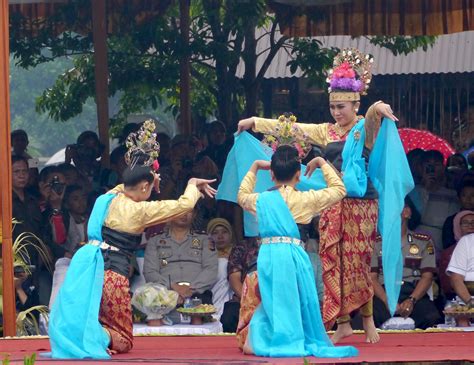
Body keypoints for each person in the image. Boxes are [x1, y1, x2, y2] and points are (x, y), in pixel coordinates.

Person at [237, 48, 410, 344]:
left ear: (356, 104)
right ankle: (342, 322)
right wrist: (254, 122)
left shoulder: (362, 130)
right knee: (333, 261)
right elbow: (291, 128)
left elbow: (371, 119)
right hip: (331, 202)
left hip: (360, 204)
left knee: (358, 262)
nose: (336, 112)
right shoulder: (326, 131)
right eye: (333, 107)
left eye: (341, 106)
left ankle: (367, 320)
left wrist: (377, 108)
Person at [48, 121, 217, 359]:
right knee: (124, 340)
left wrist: (145, 175)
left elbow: (125, 185)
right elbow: (184, 206)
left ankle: (83, 333)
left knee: (92, 315)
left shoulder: (106, 198)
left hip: (88, 271)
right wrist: (191, 184)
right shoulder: (140, 211)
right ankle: (91, 337)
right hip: (113, 278)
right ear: (146, 186)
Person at [236, 145, 357, 358]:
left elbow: (241, 195)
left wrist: (254, 167)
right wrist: (321, 163)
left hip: (268, 255)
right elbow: (340, 189)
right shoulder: (306, 198)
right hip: (293, 253)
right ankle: (289, 339)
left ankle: (261, 340)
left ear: (271, 174)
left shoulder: (261, 200)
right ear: (299, 175)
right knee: (296, 298)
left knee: (272, 300)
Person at [370, 198, 441, 329]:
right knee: (366, 318)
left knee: (431, 317)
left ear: (407, 212)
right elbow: (372, 278)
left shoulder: (423, 242)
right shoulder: (376, 243)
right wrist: (387, 300)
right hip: (384, 293)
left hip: (413, 292)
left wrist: (411, 300)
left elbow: (427, 277)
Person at [142, 209, 218, 324]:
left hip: (197, 295)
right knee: (155, 321)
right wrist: (172, 287)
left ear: (194, 215)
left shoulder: (204, 239)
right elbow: (150, 272)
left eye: (189, 211)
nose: (184, 215)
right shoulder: (155, 240)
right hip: (165, 296)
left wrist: (191, 289)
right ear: (170, 213)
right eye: (180, 210)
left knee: (198, 322)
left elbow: (211, 270)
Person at [439, 210, 474, 300]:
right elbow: (454, 281)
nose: (470, 226)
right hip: (463, 298)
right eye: (465, 223)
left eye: (473, 223)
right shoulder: (464, 243)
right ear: (458, 227)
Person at [207, 218, 235, 319]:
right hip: (209, 305)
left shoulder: (239, 255)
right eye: (215, 233)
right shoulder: (204, 257)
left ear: (231, 234)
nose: (220, 236)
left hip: (232, 308)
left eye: (224, 232)